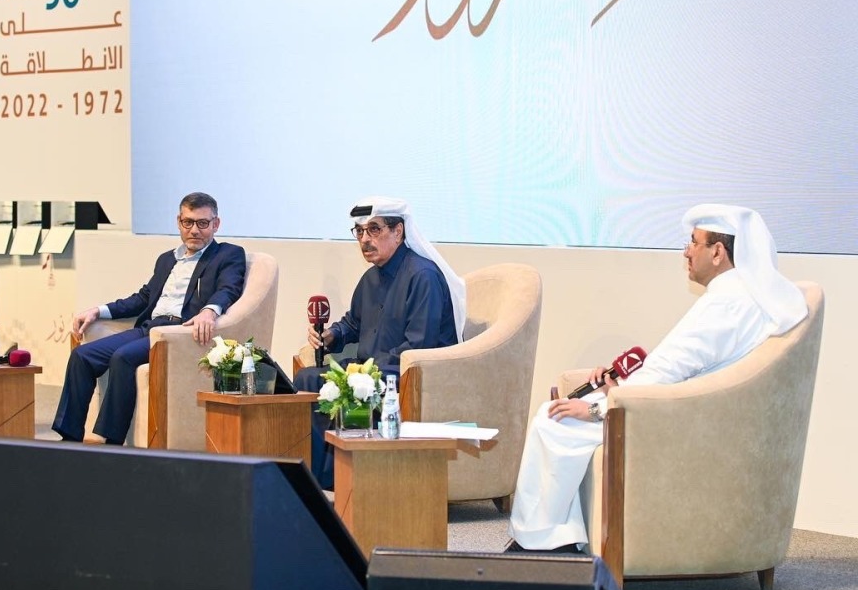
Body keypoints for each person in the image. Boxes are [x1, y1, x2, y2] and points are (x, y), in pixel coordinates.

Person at [507, 204, 808, 552]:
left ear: (718, 251)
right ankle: (558, 537)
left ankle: (544, 545)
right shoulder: (741, 294)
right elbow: (681, 368)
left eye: (693, 242)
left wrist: (599, 408)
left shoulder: (727, 302)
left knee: (554, 420)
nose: (686, 252)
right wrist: (615, 387)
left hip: (679, 420)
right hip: (689, 410)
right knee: (562, 413)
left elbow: (671, 370)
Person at [297, 196, 466, 487]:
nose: (364, 239)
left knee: (349, 383)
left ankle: (354, 477)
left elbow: (419, 345)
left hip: (407, 373)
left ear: (398, 231)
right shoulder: (370, 279)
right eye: (359, 232)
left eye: (374, 230)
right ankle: (320, 478)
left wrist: (363, 371)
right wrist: (331, 334)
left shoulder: (422, 276)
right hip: (373, 367)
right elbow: (353, 323)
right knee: (307, 379)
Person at [52, 191, 246, 445]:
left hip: (178, 332)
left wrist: (209, 311)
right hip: (150, 327)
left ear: (215, 224)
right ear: (179, 222)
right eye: (188, 222)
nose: (195, 230)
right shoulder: (167, 260)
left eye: (203, 223)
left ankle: (111, 441)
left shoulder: (227, 255)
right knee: (82, 356)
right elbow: (143, 298)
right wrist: (98, 310)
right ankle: (69, 437)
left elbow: (228, 288)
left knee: (123, 358)